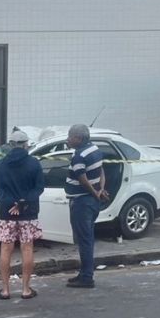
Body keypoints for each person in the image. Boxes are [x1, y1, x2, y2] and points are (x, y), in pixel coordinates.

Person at [0, 129, 45, 300]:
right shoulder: (34, 163)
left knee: (5, 249)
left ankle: (5, 290)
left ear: (11, 145)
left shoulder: (1, 164)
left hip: (7, 214)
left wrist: (11, 203)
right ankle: (26, 289)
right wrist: (22, 202)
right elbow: (39, 188)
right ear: (26, 144)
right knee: (27, 248)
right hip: (28, 213)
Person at [64, 124, 109, 289]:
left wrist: (93, 192)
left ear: (79, 138)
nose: (68, 139)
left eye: (70, 136)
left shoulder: (79, 156)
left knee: (85, 240)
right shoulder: (95, 149)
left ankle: (87, 277)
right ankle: (84, 273)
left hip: (82, 202)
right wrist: (100, 189)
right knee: (86, 239)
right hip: (91, 201)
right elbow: (101, 171)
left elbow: (82, 178)